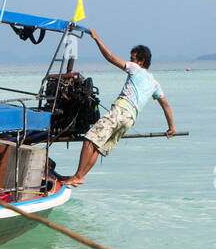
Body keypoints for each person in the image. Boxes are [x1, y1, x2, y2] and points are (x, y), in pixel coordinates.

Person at [63, 28, 174, 187]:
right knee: (98, 146)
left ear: (140, 62)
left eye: (132, 58)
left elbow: (110, 58)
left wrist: (96, 39)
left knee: (89, 139)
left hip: (120, 111)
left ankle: (78, 176)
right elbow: (166, 106)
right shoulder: (154, 83)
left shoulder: (136, 69)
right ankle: (80, 177)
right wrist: (171, 127)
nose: (129, 61)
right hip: (130, 119)